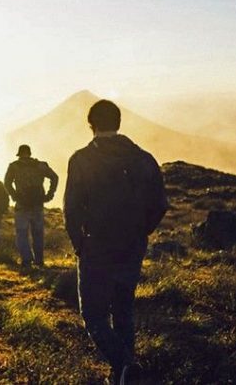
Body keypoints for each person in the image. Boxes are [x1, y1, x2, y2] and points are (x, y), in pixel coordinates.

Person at [64, 99, 168, 385]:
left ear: (91, 125)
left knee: (93, 316)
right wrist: (141, 232)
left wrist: (80, 244)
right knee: (123, 309)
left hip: (95, 247)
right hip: (131, 246)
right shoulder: (144, 158)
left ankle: (124, 365)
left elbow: (71, 209)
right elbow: (160, 204)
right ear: (119, 123)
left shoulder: (81, 160)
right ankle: (123, 373)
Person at [4, 144, 59, 268]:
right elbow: (55, 177)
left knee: (22, 234)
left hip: (22, 205)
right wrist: (50, 194)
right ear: (30, 153)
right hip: (38, 204)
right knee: (38, 234)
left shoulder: (14, 166)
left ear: (19, 154)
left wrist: (14, 196)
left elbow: (6, 183)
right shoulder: (40, 165)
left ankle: (27, 261)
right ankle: (39, 261)